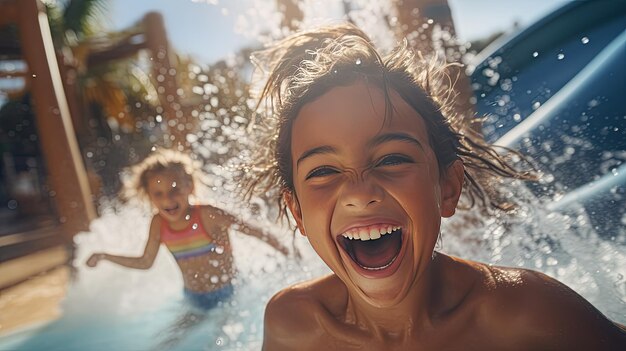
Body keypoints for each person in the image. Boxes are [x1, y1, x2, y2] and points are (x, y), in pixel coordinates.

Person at [242, 23, 626, 350]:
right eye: (324, 170)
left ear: (447, 187)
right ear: (297, 213)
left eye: (392, 159)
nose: (360, 193)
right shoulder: (294, 326)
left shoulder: (527, 314)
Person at [86, 148, 289, 309]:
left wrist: (288, 253)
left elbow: (254, 231)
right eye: (158, 194)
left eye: (175, 190)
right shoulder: (159, 224)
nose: (168, 199)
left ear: (189, 186)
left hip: (229, 294)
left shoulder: (208, 215)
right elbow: (145, 262)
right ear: (148, 196)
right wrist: (105, 256)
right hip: (193, 297)